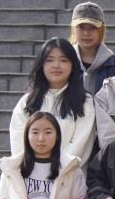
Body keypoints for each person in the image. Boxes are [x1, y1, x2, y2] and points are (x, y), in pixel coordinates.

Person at [9, 38, 96, 166]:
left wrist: (55, 169)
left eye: (63, 60)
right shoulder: (27, 102)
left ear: (73, 65)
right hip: (29, 173)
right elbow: (18, 142)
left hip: (68, 174)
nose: (56, 65)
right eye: (49, 60)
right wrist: (35, 169)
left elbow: (80, 144)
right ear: (41, 65)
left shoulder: (84, 101)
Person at [69, 2, 115, 94]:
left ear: (102, 30)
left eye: (93, 28)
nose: (86, 33)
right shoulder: (65, 61)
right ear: (73, 29)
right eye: (81, 27)